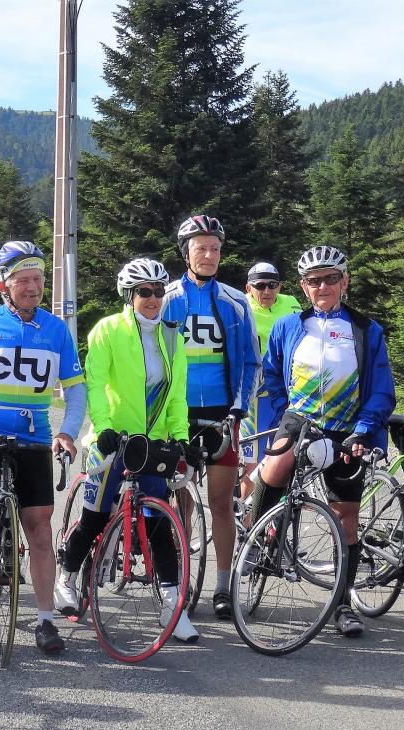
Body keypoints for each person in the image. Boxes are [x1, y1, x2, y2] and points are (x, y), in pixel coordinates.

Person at [0, 240, 86, 658]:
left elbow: (75, 391)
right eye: (23, 280)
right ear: (3, 284)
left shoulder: (56, 330)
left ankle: (45, 619)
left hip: (35, 440)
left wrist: (67, 433)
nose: (33, 287)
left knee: (40, 530)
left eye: (39, 279)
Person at [249, 246, 395, 638]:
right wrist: (285, 414)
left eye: (331, 278)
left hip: (349, 430)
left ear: (345, 282)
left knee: (346, 518)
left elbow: (381, 390)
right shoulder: (289, 325)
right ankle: (260, 537)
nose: (323, 286)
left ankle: (343, 604)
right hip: (301, 421)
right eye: (314, 281)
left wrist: (364, 430)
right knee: (274, 468)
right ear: (304, 287)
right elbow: (273, 372)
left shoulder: (366, 330)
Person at [55, 257, 199, 642]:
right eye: (144, 292)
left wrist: (180, 437)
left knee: (158, 526)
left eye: (157, 292)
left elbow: (177, 396)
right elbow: (96, 382)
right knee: (95, 518)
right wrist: (102, 429)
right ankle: (66, 577)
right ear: (129, 295)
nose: (152, 299)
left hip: (151, 446)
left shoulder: (173, 336)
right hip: (113, 441)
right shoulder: (107, 330)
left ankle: (172, 605)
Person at [160, 215, 259, 619]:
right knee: (179, 500)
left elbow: (250, 362)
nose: (209, 255)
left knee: (221, 502)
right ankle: (180, 582)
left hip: (222, 413)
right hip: (179, 414)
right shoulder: (166, 299)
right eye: (201, 248)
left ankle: (221, 585)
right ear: (186, 253)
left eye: (215, 248)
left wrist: (238, 408)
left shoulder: (236, 300)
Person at [241, 261, 302, 499]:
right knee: (253, 466)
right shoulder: (241, 306)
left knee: (284, 461)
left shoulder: (291, 304)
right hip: (254, 398)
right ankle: (247, 524)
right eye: (260, 286)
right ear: (249, 287)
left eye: (272, 285)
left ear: (280, 286)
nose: (266, 292)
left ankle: (273, 526)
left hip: (285, 392)